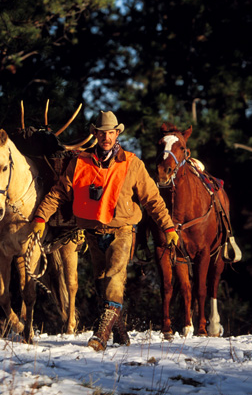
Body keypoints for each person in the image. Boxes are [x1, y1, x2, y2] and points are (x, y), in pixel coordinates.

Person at [32, 111, 179, 351]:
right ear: (95, 134)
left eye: (111, 132)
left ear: (117, 134)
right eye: (102, 133)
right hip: (92, 233)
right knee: (102, 284)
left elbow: (152, 199)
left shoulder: (132, 163)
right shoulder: (80, 162)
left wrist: (168, 226)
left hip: (122, 231)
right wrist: (41, 216)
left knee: (113, 278)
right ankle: (121, 335)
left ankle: (99, 336)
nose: (106, 137)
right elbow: (60, 192)